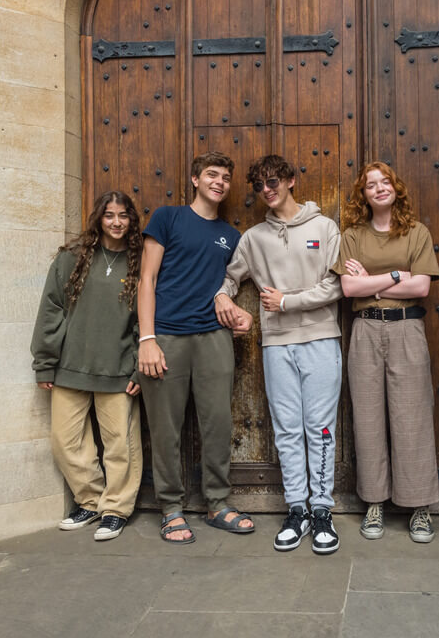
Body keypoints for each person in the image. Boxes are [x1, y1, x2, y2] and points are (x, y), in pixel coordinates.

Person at [214, 155, 344, 555]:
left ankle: (322, 511)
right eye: (258, 186)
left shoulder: (324, 227)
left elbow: (337, 286)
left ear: (290, 180)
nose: (266, 190)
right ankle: (297, 510)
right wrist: (223, 295)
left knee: (319, 427)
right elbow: (230, 278)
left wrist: (288, 301)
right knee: (286, 428)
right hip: (276, 344)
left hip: (321, 339)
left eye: (272, 181)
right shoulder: (253, 238)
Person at [137, 152, 254, 544]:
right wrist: (147, 339)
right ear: (194, 179)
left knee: (217, 424)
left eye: (225, 176)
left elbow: (231, 286)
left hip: (212, 337)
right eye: (211, 175)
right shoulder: (167, 218)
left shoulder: (231, 236)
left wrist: (241, 315)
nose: (219, 181)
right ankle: (170, 509)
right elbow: (147, 280)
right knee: (165, 428)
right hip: (166, 336)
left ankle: (218, 503)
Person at [333, 161, 439, 544]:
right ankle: (374, 502)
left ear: (396, 187)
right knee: (367, 417)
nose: (379, 189)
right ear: (362, 195)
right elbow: (349, 289)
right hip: (365, 330)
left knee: (411, 415)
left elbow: (422, 289)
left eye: (384, 182)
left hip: (407, 329)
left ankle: (419, 507)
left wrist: (373, 283)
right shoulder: (352, 236)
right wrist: (398, 275)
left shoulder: (416, 232)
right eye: (370, 185)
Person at [30, 190, 144, 541]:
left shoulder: (141, 262)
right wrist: (45, 363)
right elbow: (52, 309)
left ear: (131, 220)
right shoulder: (71, 258)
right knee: (65, 441)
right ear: (98, 217)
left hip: (118, 370)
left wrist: (140, 366)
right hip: (71, 366)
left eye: (123, 215)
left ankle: (116, 508)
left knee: (120, 445)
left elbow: (148, 319)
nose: (116, 222)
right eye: (109, 215)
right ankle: (90, 500)